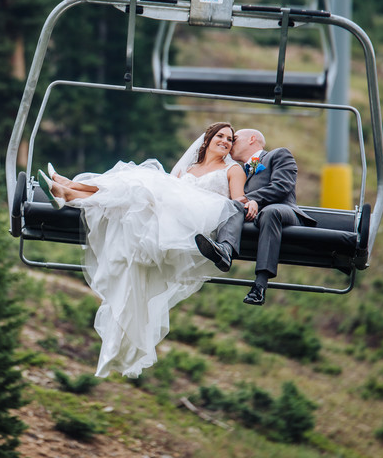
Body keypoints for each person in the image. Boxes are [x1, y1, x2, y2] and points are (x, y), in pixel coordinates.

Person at [37, 123, 244, 378]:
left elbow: (236, 203)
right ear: (208, 139)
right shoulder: (190, 168)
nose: (225, 140)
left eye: (230, 139)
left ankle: (70, 190)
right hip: (171, 213)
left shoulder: (233, 169)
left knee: (142, 180)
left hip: (196, 217)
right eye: (220, 136)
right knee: (131, 193)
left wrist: (251, 203)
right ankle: (67, 191)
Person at [194, 128, 316, 306]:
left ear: (251, 139)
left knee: (270, 212)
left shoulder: (278, 155)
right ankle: (225, 251)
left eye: (234, 139)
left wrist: (253, 200)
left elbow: (282, 185)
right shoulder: (238, 170)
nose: (230, 143)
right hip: (252, 215)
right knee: (232, 205)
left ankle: (260, 285)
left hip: (284, 211)